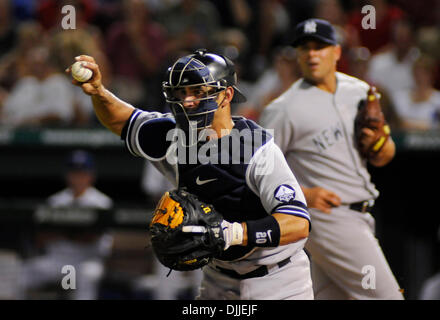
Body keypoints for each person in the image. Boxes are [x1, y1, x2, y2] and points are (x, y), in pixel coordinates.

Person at [67, 49, 313, 300]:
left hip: (278, 279)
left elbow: (298, 223)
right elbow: (122, 121)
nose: (187, 101)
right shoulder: (173, 137)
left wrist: (233, 232)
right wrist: (98, 92)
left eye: (198, 92)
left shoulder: (256, 148)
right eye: (180, 93)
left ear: (226, 95)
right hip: (218, 279)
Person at [259, 18, 404, 300]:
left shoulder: (360, 91)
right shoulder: (282, 109)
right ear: (297, 55)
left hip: (358, 212)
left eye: (319, 47)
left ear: (337, 52)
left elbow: (385, 155)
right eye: (304, 48)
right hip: (329, 219)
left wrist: (381, 145)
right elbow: (257, 172)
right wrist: (303, 194)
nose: (312, 54)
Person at [20, 150, 113, 300]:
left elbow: (92, 238)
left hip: (86, 261)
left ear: (91, 175)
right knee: (23, 272)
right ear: (67, 175)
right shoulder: (55, 201)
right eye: (74, 172)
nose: (78, 177)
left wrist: (62, 234)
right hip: (58, 261)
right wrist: (73, 234)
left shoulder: (102, 203)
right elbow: (40, 237)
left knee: (88, 274)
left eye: (82, 172)